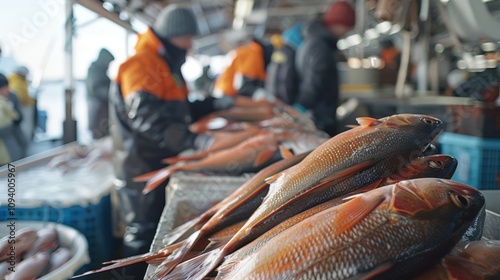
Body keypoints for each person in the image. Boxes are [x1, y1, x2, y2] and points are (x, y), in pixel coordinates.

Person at [109, 5, 254, 277]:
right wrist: (194, 141)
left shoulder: (165, 66)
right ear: (172, 35)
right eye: (187, 37)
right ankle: (130, 274)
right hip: (139, 166)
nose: (190, 45)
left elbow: (179, 110)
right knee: (142, 230)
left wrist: (214, 103)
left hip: (162, 161)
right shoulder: (141, 64)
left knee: (157, 232)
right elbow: (147, 119)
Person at [295, 0, 355, 136]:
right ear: (338, 23)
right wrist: (304, 105)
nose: (346, 32)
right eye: (347, 27)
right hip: (320, 117)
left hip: (316, 113)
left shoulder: (311, 40)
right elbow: (315, 79)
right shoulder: (321, 46)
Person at [212, 35, 274, 101]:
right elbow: (245, 81)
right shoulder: (252, 52)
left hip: (223, 91)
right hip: (228, 93)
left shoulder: (245, 51)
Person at [265, 22, 304, 104]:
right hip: (283, 98)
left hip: (274, 94)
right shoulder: (290, 53)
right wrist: (289, 101)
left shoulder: (280, 50)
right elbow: (286, 77)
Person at [86, 48, 115, 139]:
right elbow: (96, 89)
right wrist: (114, 95)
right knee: (98, 137)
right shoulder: (94, 70)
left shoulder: (99, 71)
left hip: (103, 112)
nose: (108, 65)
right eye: (108, 62)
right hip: (98, 112)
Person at [0, 73, 27, 165]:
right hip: (6, 133)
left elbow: (19, 116)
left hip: (12, 131)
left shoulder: (12, 96)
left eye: (6, 87)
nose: (5, 91)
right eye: (2, 88)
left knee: (15, 157)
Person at [8, 66, 35, 141]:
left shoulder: (16, 80)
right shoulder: (17, 82)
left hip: (21, 107)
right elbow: (21, 98)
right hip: (22, 108)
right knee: (25, 126)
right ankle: (25, 142)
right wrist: (31, 101)